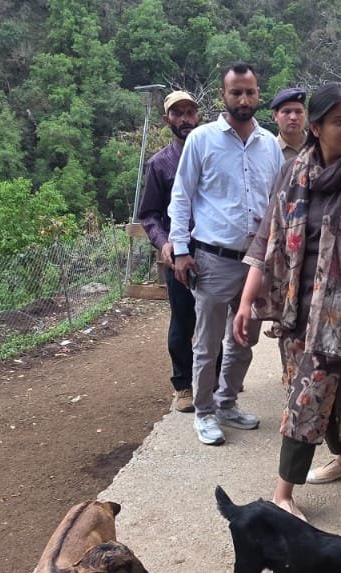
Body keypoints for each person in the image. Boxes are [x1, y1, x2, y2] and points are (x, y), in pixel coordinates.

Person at [233, 83, 341, 521]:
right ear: (316, 127)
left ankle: (282, 495)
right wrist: (247, 301)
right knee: (320, 394)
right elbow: (266, 238)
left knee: (308, 396)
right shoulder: (293, 173)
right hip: (294, 307)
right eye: (339, 121)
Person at [168, 63, 286, 446]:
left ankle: (227, 403)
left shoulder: (270, 145)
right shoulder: (202, 140)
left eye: (250, 92)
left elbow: (280, 202)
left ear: (258, 94)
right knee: (208, 342)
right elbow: (181, 197)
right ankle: (204, 412)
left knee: (244, 339)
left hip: (256, 262)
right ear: (224, 95)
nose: (244, 99)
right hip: (213, 259)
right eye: (236, 92)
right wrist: (181, 250)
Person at [136, 90, 202, 413]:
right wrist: (164, 243)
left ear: (198, 116)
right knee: (183, 319)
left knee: (215, 318)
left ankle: (216, 379)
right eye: (178, 114)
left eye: (190, 112)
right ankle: (183, 385)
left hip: (213, 249)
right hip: (178, 253)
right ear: (167, 120)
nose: (185, 119)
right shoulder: (159, 164)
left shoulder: (210, 155)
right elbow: (148, 214)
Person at [270, 87, 307, 164]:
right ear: (275, 116)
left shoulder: (319, 145)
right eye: (286, 112)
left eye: (298, 112)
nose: (293, 117)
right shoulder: (270, 150)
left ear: (306, 114)